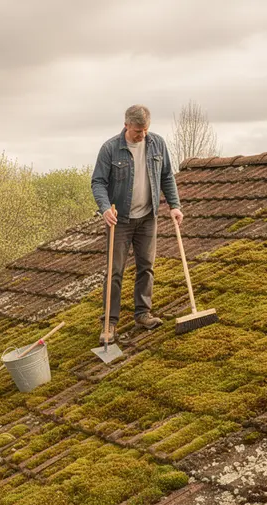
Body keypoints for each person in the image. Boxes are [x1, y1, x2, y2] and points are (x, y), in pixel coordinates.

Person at [90, 104, 183, 345]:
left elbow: (166, 176)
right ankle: (109, 323)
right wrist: (104, 209)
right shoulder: (110, 148)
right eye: (137, 131)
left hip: (147, 217)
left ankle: (142, 314)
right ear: (126, 126)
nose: (142, 135)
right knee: (115, 272)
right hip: (119, 220)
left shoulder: (157, 144)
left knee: (146, 267)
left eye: (145, 130)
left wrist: (174, 205)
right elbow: (98, 182)